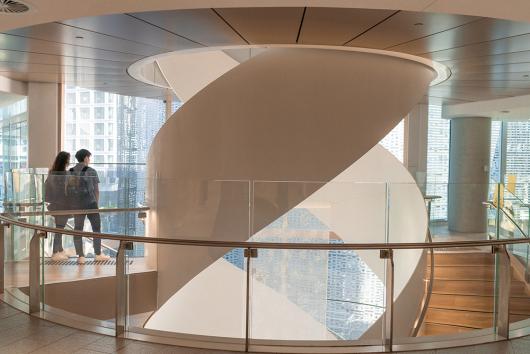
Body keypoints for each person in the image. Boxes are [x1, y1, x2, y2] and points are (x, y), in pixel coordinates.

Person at [68, 149, 110, 264]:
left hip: (77, 205)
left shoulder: (70, 171)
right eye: (89, 157)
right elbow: (96, 190)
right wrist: (96, 203)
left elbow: (69, 190)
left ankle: (80, 256)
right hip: (91, 203)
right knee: (96, 229)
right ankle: (98, 254)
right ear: (86, 157)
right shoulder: (92, 171)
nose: (89, 160)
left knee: (78, 230)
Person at [45, 151, 71, 262]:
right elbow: (69, 191)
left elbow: (47, 189)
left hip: (54, 205)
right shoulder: (66, 175)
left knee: (59, 228)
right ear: (66, 161)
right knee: (59, 229)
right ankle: (56, 252)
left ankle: (60, 249)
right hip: (63, 205)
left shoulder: (51, 173)